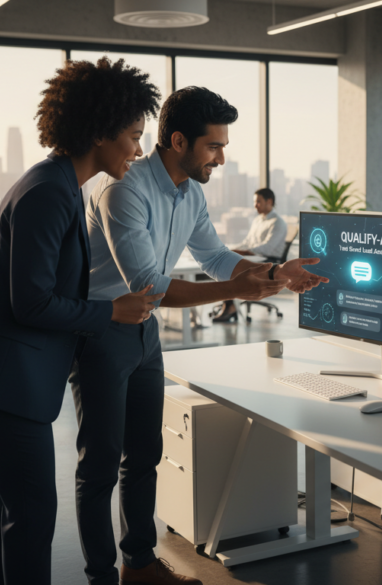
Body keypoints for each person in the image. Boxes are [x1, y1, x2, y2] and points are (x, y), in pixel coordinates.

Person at [75, 86, 327, 585]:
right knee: (100, 465)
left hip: (144, 333)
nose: (222, 159)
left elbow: (214, 257)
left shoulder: (190, 193)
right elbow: (147, 285)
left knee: (143, 455)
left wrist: (274, 273)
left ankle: (139, 566)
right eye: (214, 146)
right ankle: (101, 577)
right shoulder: (124, 189)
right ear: (178, 141)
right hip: (102, 332)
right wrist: (234, 290)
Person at [0, 58, 163, 585]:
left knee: (9, 506)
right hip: (2, 377)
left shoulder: (61, 183)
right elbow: (31, 303)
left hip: (1, 372)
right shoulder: (48, 192)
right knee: (32, 513)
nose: (137, 149)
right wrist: (112, 310)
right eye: (133, 135)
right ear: (100, 131)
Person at [213, 187, 288, 322]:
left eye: (258, 202)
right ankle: (229, 305)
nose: (255, 205)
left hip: (268, 260)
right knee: (226, 260)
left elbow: (268, 248)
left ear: (269, 201)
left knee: (231, 267)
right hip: (254, 256)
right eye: (254, 202)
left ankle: (230, 307)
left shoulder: (278, 222)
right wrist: (231, 249)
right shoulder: (258, 220)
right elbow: (247, 242)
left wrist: (244, 252)